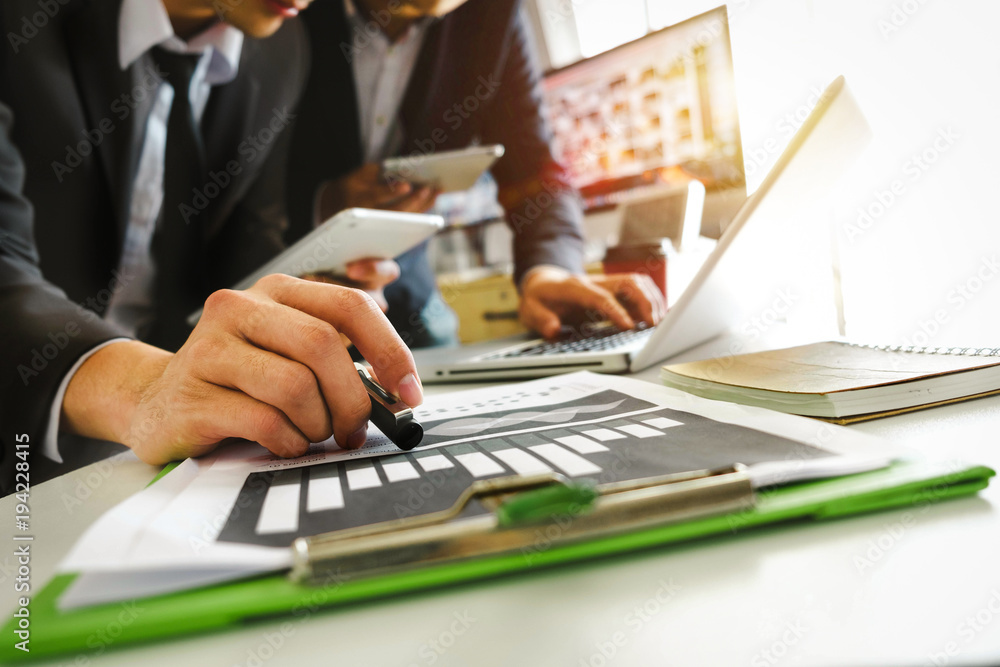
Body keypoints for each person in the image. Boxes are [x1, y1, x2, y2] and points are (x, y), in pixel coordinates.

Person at [0, 0, 421, 495]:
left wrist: (301, 296)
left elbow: (245, 243)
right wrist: (146, 392)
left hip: (166, 456)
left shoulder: (280, 46)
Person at [286, 0, 665, 348]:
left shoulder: (493, 14)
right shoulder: (283, 12)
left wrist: (549, 269)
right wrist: (323, 206)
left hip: (405, 296)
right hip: (268, 279)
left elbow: (536, 174)